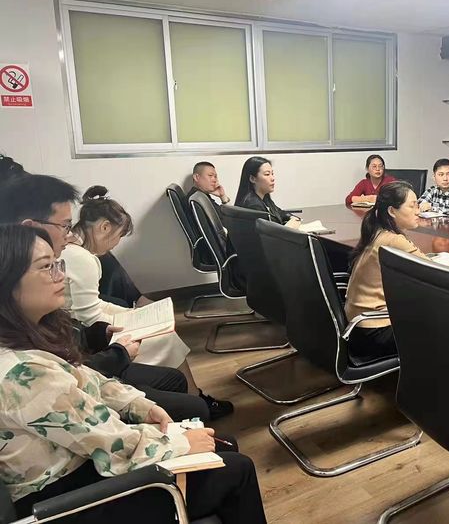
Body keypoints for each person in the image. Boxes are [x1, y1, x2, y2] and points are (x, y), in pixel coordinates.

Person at [0, 225, 267, 524]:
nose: (60, 275)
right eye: (45, 267)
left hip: (80, 463)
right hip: (67, 499)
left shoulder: (31, 336)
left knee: (221, 446)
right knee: (236, 469)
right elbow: (107, 442)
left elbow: (90, 380)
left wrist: (139, 406)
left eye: (56, 264)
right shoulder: (21, 372)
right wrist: (179, 443)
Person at [0, 174, 229, 420]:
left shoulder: (43, 285)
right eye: (64, 226)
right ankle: (196, 402)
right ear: (31, 227)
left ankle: (193, 402)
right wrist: (120, 348)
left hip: (88, 365)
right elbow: (75, 373)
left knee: (173, 379)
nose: (68, 235)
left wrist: (118, 323)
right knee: (168, 348)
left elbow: (77, 333)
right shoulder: (23, 357)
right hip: (88, 377)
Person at [346, 181, 449, 365]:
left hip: (360, 327)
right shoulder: (393, 240)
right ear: (392, 211)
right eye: (412, 205)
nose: (418, 211)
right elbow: (439, 274)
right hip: (374, 331)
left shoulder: (379, 231)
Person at [62, 186, 192, 369]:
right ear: (105, 227)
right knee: (164, 338)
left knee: (161, 333)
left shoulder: (74, 251)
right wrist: (135, 323)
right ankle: (183, 385)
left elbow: (93, 305)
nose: (116, 244)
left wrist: (132, 314)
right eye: (119, 235)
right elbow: (88, 317)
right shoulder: (82, 259)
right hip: (81, 336)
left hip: (77, 330)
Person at [238, 156, 301, 228]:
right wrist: (290, 226)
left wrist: (292, 218)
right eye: (267, 174)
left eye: (272, 174)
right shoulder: (252, 205)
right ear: (253, 179)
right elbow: (272, 232)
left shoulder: (265, 198)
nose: (272, 178)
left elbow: (279, 212)